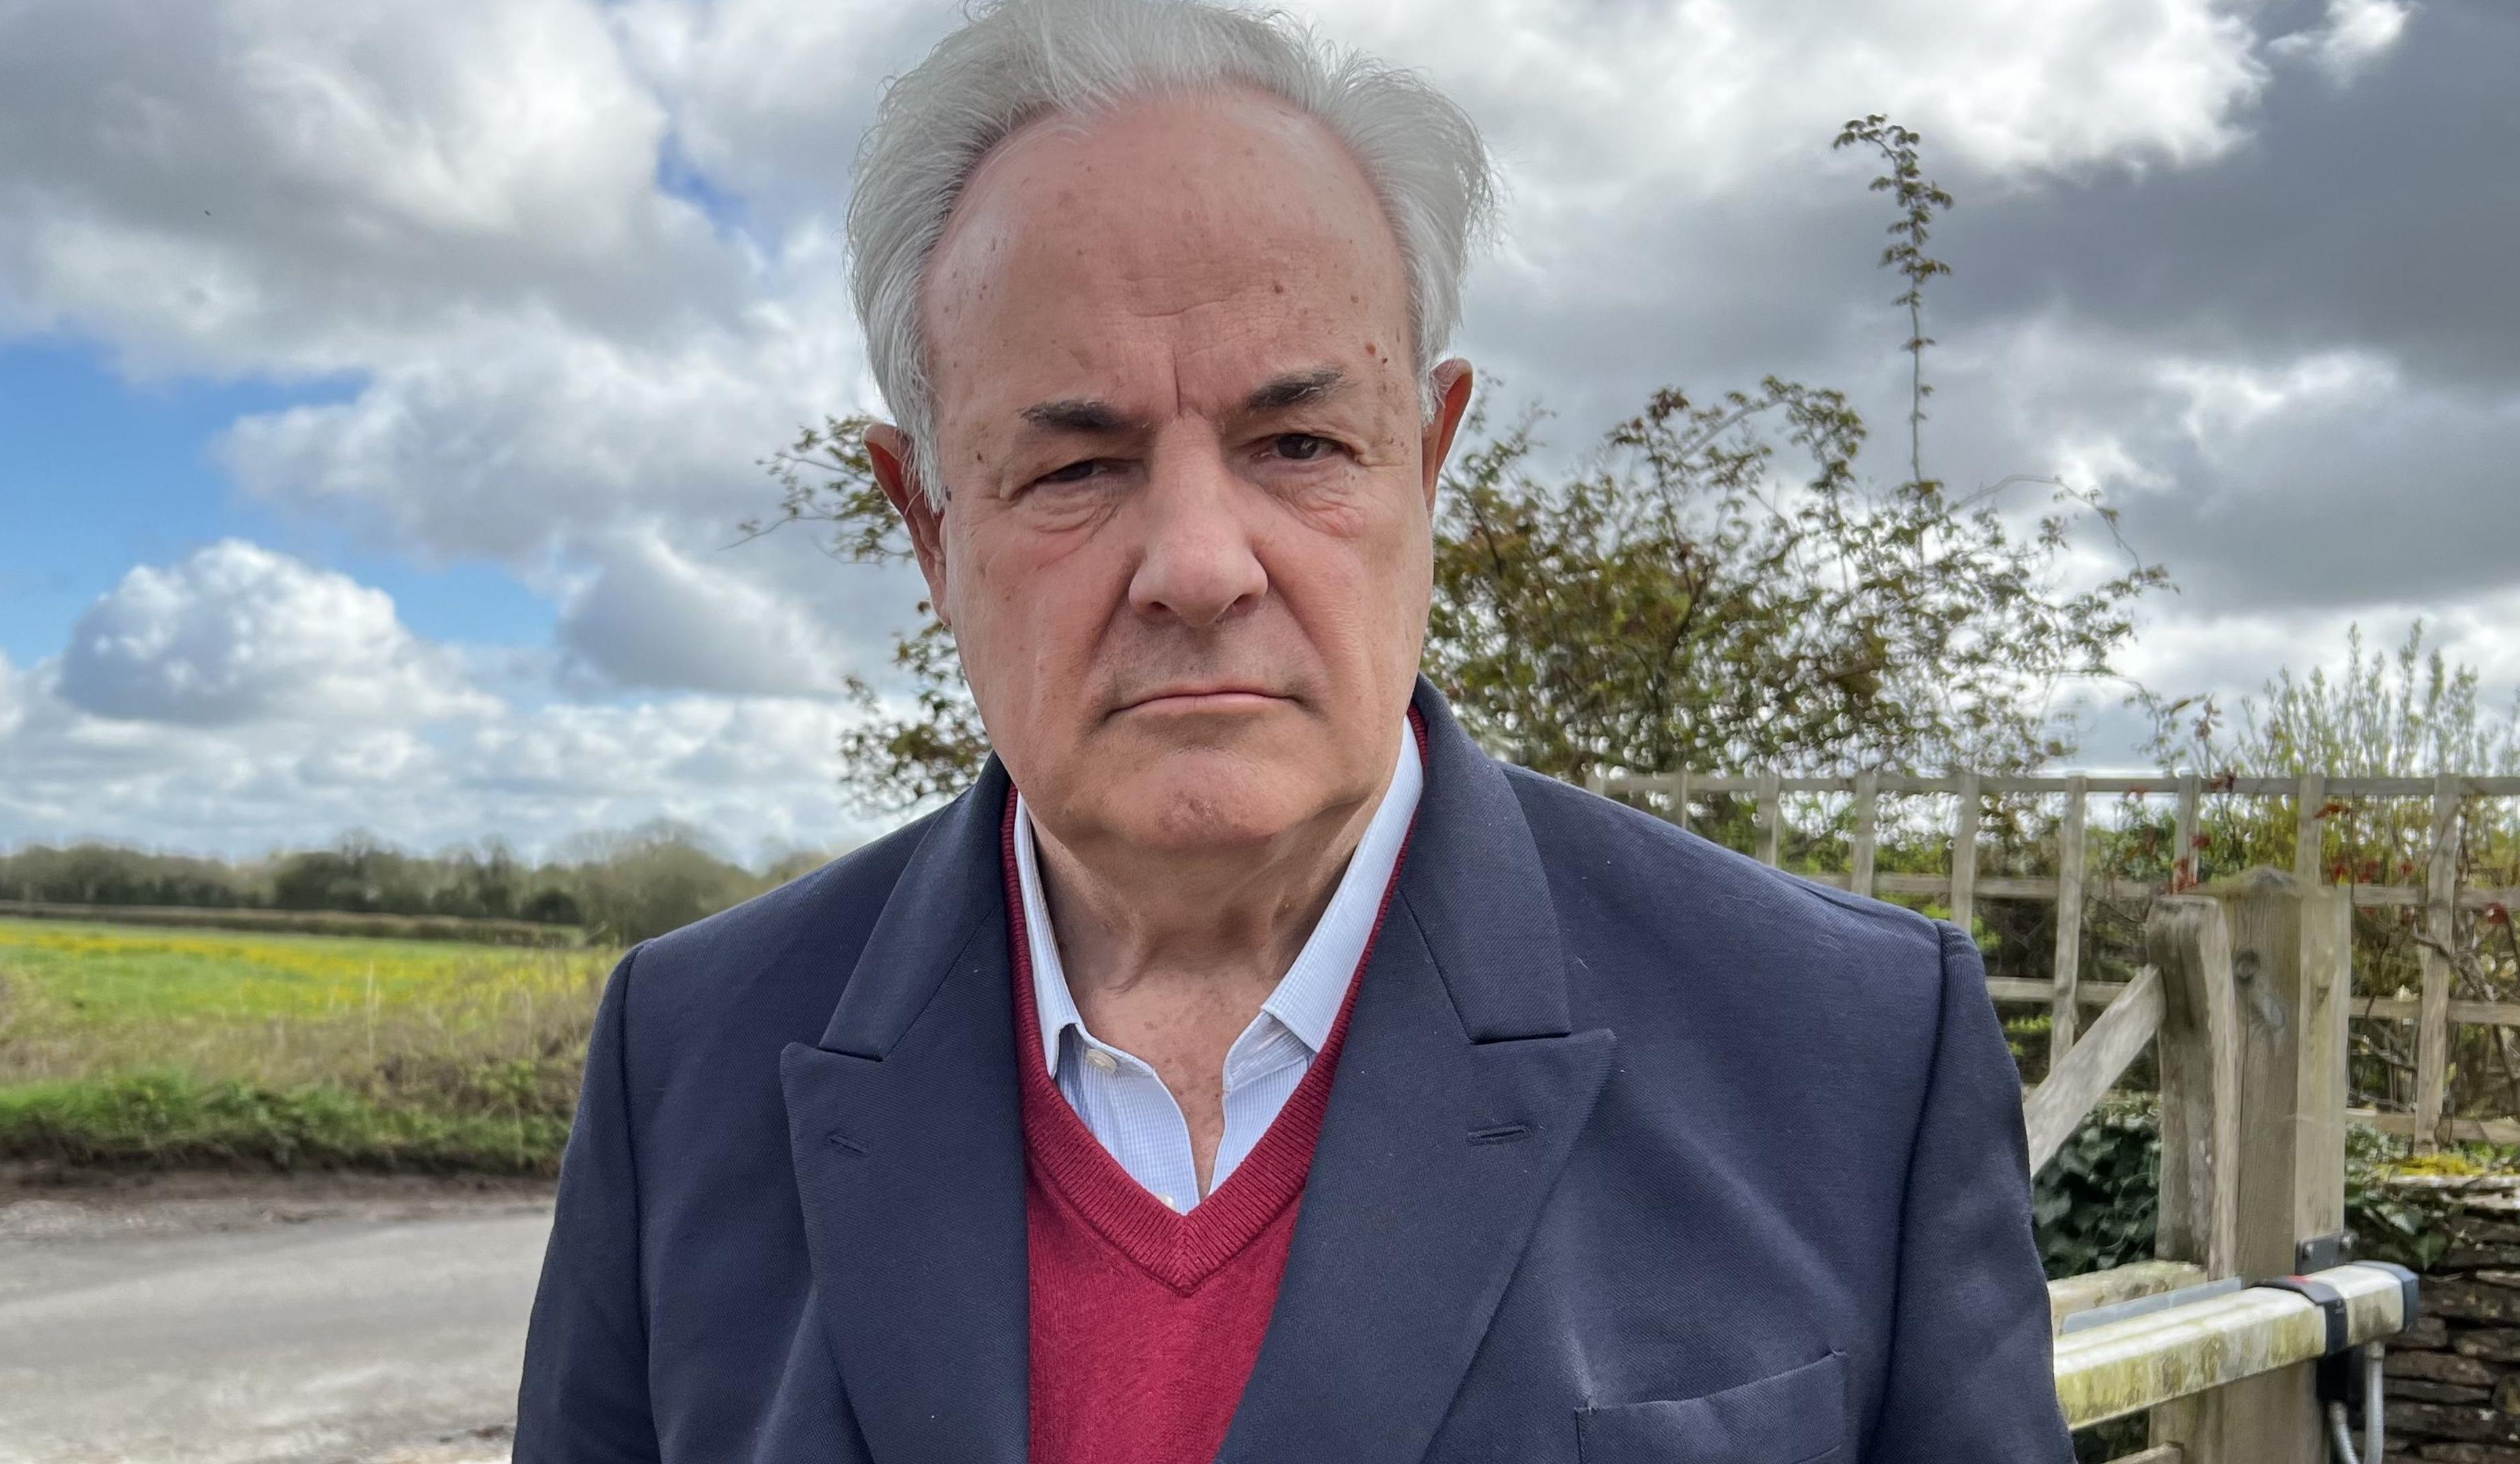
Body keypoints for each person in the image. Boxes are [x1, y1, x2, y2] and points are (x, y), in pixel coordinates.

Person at [513, 0, 2072, 1459]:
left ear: (1430, 459)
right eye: (1075, 468)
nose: (1198, 567)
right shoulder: (688, 1058)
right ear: (925, 524)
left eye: (1300, 441)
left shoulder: (1849, 1049)